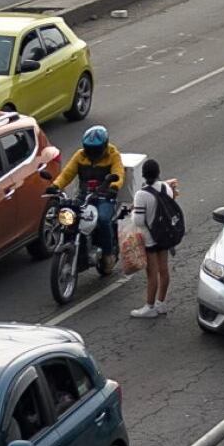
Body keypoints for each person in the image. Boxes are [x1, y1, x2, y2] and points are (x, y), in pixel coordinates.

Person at [49, 125, 124, 273]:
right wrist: (55, 186)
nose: (91, 153)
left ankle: (108, 254)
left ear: (104, 146)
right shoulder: (80, 155)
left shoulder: (113, 155)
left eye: (95, 149)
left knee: (103, 220)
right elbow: (66, 174)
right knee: (69, 217)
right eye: (89, 149)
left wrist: (113, 187)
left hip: (104, 197)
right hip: (84, 196)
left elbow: (119, 173)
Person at [129, 159, 179, 318]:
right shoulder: (166, 188)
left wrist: (132, 211)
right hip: (164, 235)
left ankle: (149, 306)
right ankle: (161, 303)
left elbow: (138, 221)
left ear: (143, 175)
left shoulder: (141, 194)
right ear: (158, 173)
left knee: (152, 272)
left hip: (149, 238)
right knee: (163, 270)